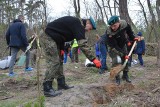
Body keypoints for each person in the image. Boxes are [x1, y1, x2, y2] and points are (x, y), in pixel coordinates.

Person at [41, 16, 101, 97]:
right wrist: (93, 59)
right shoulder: (78, 25)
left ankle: (61, 83)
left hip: (55, 39)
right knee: (54, 61)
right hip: (48, 36)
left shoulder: (77, 24)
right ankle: (47, 88)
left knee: (60, 60)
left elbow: (61, 34)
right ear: (87, 22)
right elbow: (82, 44)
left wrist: (61, 48)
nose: (89, 30)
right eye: (90, 28)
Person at [106, 15, 138, 85]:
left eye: (114, 25)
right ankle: (117, 77)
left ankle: (125, 75)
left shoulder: (124, 24)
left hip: (122, 45)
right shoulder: (109, 32)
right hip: (113, 48)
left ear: (119, 22)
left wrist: (133, 38)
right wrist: (124, 53)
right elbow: (114, 45)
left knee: (125, 60)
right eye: (111, 26)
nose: (113, 28)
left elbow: (129, 30)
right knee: (117, 60)